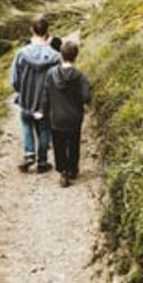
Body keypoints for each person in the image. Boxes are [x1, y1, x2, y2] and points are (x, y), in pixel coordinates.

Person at [10, 14, 61, 173]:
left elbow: (14, 80)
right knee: (45, 129)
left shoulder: (21, 53)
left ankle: (29, 153)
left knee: (26, 123)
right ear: (47, 32)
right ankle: (42, 162)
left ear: (31, 30)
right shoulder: (55, 56)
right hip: (45, 100)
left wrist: (21, 91)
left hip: (27, 97)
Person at [42, 40, 91, 187]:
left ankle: (63, 171)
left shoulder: (51, 74)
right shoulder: (80, 76)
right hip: (74, 117)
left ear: (60, 55)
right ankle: (73, 169)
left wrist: (45, 114)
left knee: (59, 144)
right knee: (74, 143)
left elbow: (46, 96)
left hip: (56, 116)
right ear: (76, 56)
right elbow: (86, 97)